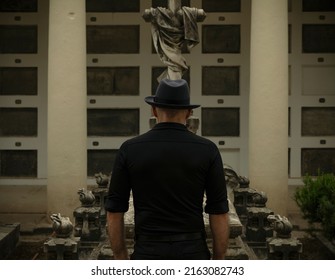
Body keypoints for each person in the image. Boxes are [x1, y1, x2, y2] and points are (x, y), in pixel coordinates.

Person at [105, 79, 229, 260]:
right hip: (192, 252)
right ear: (189, 113)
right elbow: (218, 211)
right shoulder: (207, 149)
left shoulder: (130, 149)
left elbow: (115, 211)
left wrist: (120, 255)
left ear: (154, 110)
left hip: (148, 251)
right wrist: (219, 259)